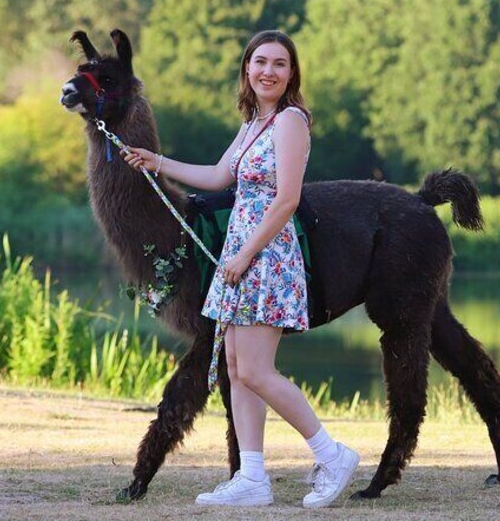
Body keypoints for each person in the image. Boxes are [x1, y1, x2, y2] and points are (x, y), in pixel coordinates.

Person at [121, 30, 359, 508]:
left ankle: (332, 455)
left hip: (265, 253)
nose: (268, 71)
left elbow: (287, 199)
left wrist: (246, 252)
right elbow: (217, 176)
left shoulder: (290, 121)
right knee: (235, 368)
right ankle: (252, 477)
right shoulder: (254, 123)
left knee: (254, 369)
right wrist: (156, 162)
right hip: (241, 254)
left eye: (280, 64)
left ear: (291, 75)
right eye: (260, 62)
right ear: (247, 70)